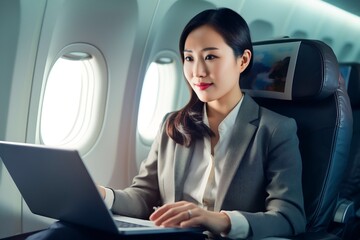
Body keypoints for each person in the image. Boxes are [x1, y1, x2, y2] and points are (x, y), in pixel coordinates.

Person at [98, 7, 306, 239]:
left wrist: (219, 220)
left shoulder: (275, 130)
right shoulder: (173, 125)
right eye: (189, 58)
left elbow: (290, 217)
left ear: (243, 60)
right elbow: (143, 196)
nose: (197, 71)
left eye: (210, 57)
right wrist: (103, 195)